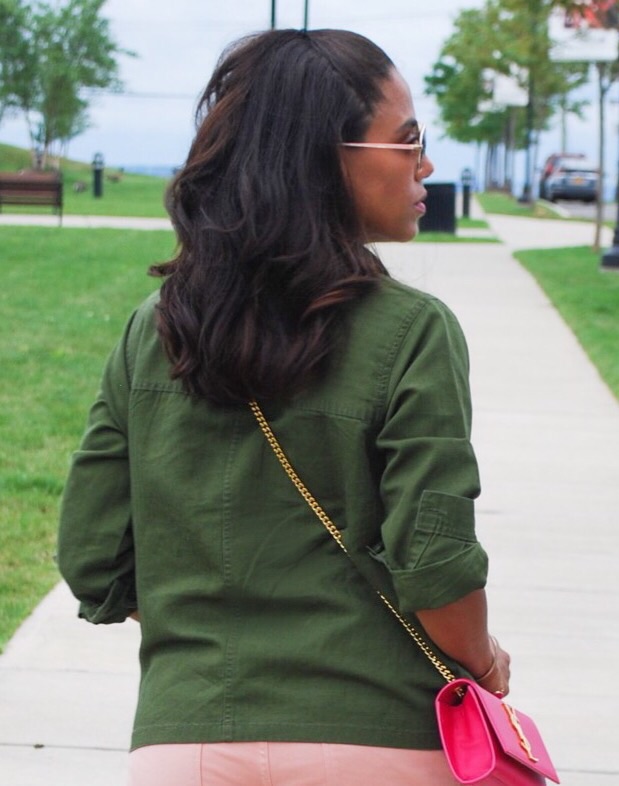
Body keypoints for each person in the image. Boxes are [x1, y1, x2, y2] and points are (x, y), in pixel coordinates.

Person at [57, 28, 510, 786]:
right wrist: (484, 660)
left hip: (184, 745)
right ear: (325, 156)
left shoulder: (155, 328)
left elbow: (92, 554)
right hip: (381, 739)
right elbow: (434, 563)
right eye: (407, 141)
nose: (426, 163)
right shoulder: (411, 330)